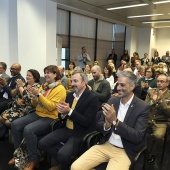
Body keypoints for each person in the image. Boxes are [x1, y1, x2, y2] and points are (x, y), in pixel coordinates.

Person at [71, 71, 150, 170]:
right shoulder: (112, 101)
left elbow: (137, 136)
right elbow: (98, 124)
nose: (118, 88)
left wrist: (115, 122)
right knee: (75, 167)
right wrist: (106, 126)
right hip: (106, 144)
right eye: (118, 84)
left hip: (125, 150)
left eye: (122, 85)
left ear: (132, 86)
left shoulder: (142, 107)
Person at [8, 65, 66, 170]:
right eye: (45, 72)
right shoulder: (44, 86)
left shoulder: (60, 89)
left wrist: (39, 95)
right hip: (38, 113)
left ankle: (33, 159)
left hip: (51, 117)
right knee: (15, 124)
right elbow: (35, 105)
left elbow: (51, 107)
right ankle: (19, 155)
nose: (46, 75)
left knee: (28, 130)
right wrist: (34, 96)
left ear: (55, 75)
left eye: (49, 73)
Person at [38, 71, 99, 170]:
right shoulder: (70, 95)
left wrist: (69, 111)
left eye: (76, 81)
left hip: (80, 132)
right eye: (71, 81)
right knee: (42, 143)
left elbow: (86, 121)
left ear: (84, 82)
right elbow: (62, 116)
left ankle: (64, 163)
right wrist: (61, 112)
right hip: (66, 128)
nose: (72, 84)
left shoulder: (92, 98)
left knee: (63, 154)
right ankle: (64, 163)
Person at [145, 74, 170, 164]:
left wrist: (161, 101)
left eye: (162, 81)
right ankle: (137, 149)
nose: (159, 83)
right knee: (135, 129)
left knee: (158, 136)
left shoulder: (169, 95)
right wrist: (153, 101)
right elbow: (145, 106)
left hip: (161, 121)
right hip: (148, 118)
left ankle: (153, 153)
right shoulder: (151, 91)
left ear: (167, 83)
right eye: (158, 81)